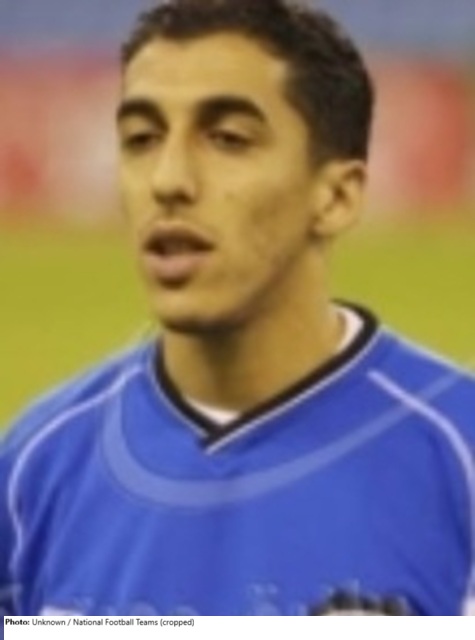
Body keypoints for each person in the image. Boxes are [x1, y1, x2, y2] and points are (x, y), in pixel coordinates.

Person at [1, 0, 474, 617]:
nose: (168, 180)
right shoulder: (33, 470)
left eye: (227, 139)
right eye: (141, 139)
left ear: (336, 196)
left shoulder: (457, 454)